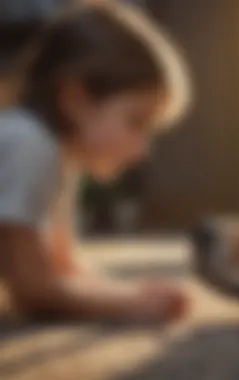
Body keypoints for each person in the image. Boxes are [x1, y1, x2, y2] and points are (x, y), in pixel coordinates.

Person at [0, 1, 191, 322]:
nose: (143, 148)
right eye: (137, 122)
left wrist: (130, 292)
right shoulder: (30, 144)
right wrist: (128, 307)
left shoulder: (59, 156)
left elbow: (62, 264)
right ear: (75, 99)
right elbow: (32, 288)